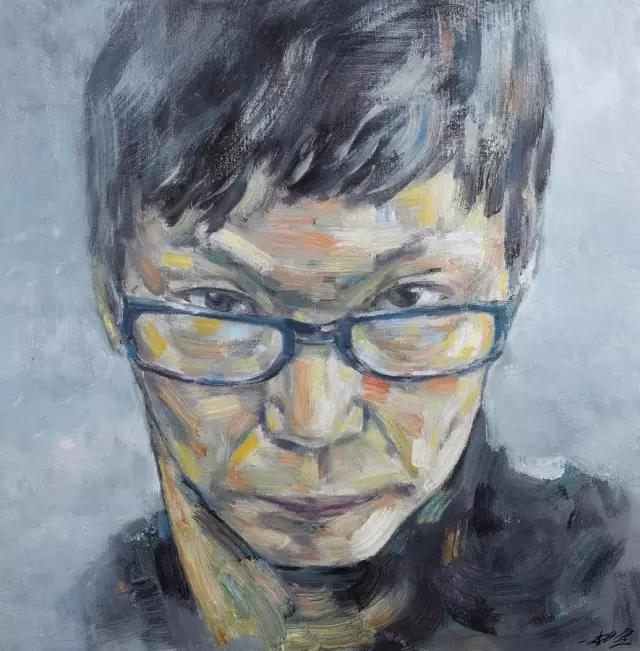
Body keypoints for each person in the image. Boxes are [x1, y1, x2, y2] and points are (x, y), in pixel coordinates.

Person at [77, 0, 640, 649]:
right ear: (110, 296)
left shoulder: (610, 590)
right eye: (220, 306)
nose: (313, 421)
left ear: (515, 276)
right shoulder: (98, 617)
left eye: (407, 301)